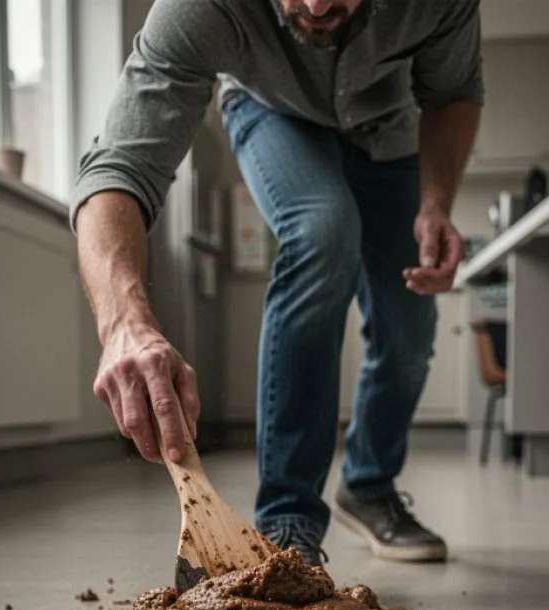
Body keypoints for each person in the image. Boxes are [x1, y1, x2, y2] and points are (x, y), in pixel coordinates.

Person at [73, 0, 483, 566]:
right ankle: (287, 516)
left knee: (410, 320)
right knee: (322, 229)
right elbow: (118, 166)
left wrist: (436, 204)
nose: (316, 5)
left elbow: (453, 91)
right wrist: (124, 323)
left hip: (390, 131)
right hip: (272, 113)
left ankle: (369, 485)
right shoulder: (198, 9)